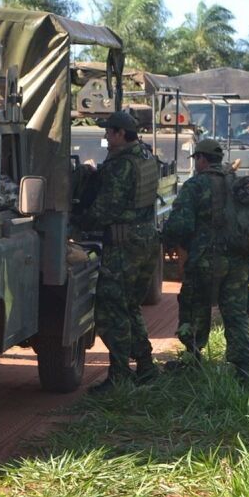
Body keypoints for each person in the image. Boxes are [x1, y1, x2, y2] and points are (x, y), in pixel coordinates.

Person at [75, 110, 161, 394]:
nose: (106, 136)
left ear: (122, 134)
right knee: (129, 305)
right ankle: (146, 367)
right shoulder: (146, 157)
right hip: (145, 241)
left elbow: (105, 209)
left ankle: (120, 375)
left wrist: (77, 222)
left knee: (111, 310)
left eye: (110, 131)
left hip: (124, 244)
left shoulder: (121, 165)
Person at [162, 138, 249, 384]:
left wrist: (166, 239)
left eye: (197, 160)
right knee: (235, 315)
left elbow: (180, 225)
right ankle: (242, 369)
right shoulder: (237, 184)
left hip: (205, 260)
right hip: (238, 260)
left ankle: (192, 359)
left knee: (195, 308)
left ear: (201, 159)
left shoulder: (195, 185)